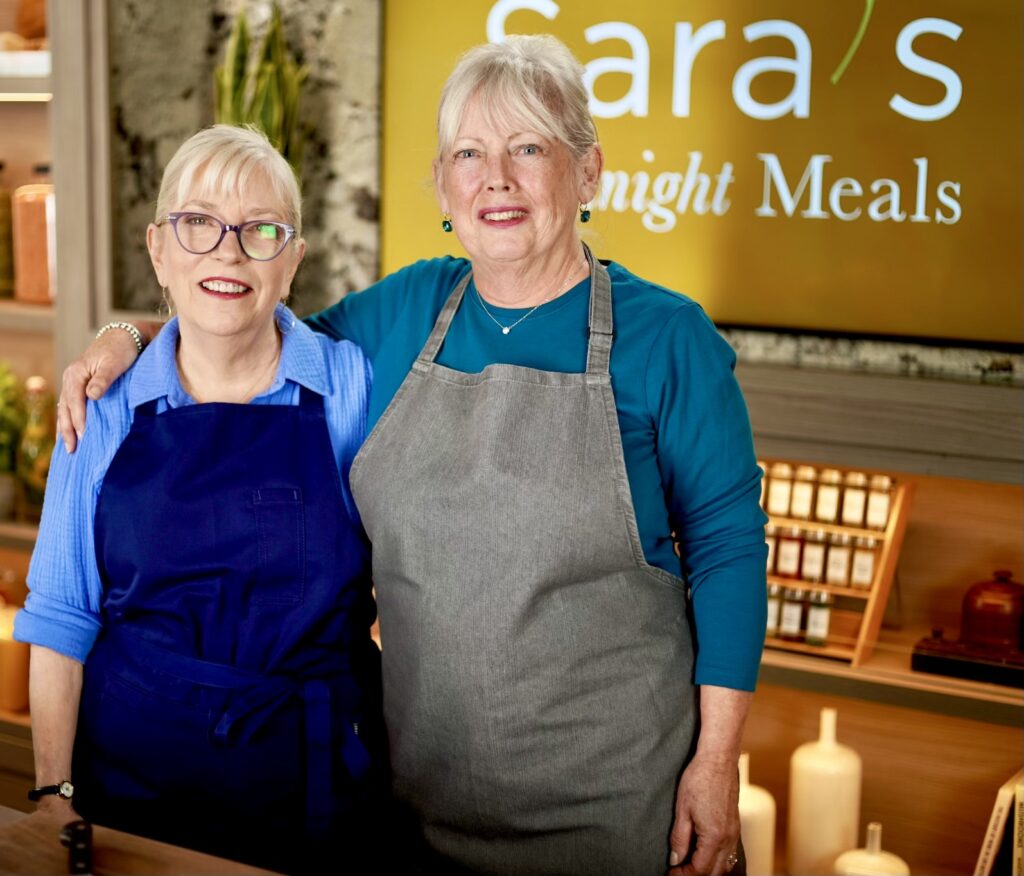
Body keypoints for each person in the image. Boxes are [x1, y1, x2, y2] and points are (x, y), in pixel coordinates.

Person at [59, 36, 767, 876]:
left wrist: (716, 764)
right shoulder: (404, 313)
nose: (495, 177)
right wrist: (127, 336)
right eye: (469, 153)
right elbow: (243, 329)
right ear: (442, 185)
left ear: (588, 174)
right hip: (417, 802)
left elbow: (727, 552)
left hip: (616, 805)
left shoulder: (667, 338)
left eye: (529, 147)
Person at [18, 125, 387, 873]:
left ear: (292, 261)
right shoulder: (103, 405)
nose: (227, 250)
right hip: (129, 794)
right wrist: (53, 788)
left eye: (261, 230)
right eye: (198, 224)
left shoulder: (353, 389)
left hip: (307, 789)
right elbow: (61, 616)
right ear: (159, 250)